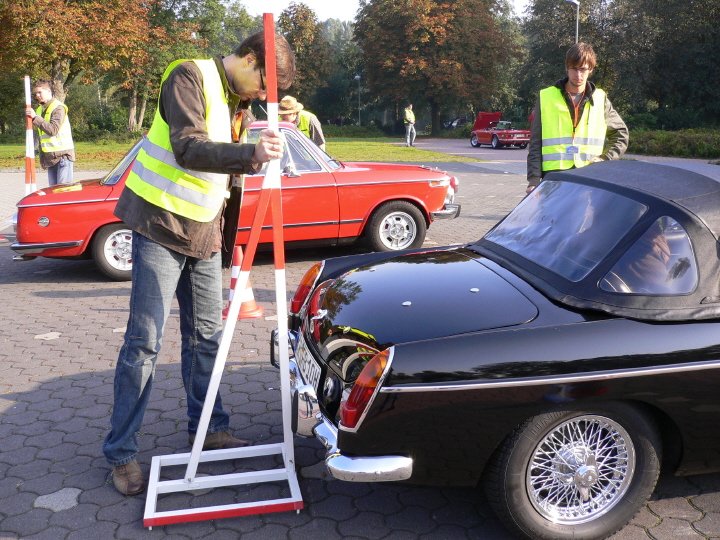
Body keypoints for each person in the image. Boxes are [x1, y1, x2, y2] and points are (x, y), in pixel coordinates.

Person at [102, 31, 296, 496]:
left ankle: (210, 428)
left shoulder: (236, 102)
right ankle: (121, 453)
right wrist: (251, 153)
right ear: (248, 59)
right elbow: (188, 147)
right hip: (160, 224)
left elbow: (223, 184)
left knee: (206, 337)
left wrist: (225, 243)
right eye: (262, 85)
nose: (260, 96)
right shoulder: (188, 75)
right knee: (144, 342)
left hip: (204, 234)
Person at [526, 42, 628, 194]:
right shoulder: (546, 96)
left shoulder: (600, 99)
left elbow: (621, 134)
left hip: (589, 175)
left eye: (583, 69)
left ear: (591, 69)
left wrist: (605, 159)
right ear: (567, 68)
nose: (578, 75)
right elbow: (535, 141)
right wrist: (534, 180)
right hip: (555, 177)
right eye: (574, 69)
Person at [25, 80, 75, 185]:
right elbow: (41, 135)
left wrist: (35, 118)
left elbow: (53, 130)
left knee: (62, 191)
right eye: (35, 93)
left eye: (40, 92)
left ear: (48, 91)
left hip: (63, 157)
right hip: (50, 158)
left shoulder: (58, 108)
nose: (37, 96)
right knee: (52, 191)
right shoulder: (39, 110)